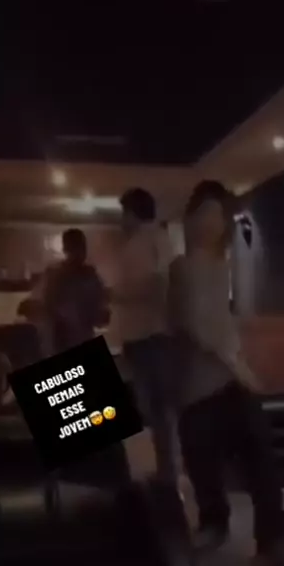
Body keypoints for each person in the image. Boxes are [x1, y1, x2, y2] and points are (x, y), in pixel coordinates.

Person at [169, 180, 284, 566]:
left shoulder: (221, 266)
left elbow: (222, 323)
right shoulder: (181, 268)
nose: (210, 222)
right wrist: (240, 365)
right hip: (199, 386)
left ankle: (273, 541)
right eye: (204, 213)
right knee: (202, 462)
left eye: (218, 215)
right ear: (191, 217)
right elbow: (197, 325)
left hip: (230, 381)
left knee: (262, 458)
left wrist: (241, 359)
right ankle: (214, 524)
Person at [114, 187, 177, 485]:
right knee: (153, 410)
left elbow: (157, 282)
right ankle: (161, 470)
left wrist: (119, 294)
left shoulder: (148, 240)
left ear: (133, 212)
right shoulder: (153, 239)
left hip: (149, 336)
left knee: (154, 410)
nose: (121, 220)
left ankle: (163, 473)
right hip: (148, 336)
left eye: (124, 213)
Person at [39, 228, 110, 355]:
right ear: (66, 249)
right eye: (76, 248)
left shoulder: (90, 275)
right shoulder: (55, 275)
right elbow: (48, 307)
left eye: (83, 248)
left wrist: (102, 313)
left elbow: (100, 312)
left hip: (82, 339)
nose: (81, 253)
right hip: (61, 341)